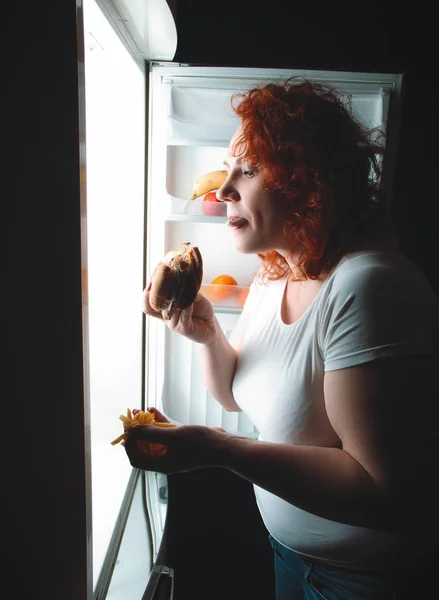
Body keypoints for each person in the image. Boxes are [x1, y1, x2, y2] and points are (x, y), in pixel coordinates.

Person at [125, 78, 439, 599]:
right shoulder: (276, 276)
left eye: (246, 171)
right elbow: (234, 393)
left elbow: (384, 492)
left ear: (306, 181)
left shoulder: (367, 288)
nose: (221, 191)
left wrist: (222, 449)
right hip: (292, 557)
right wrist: (207, 337)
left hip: (363, 580)